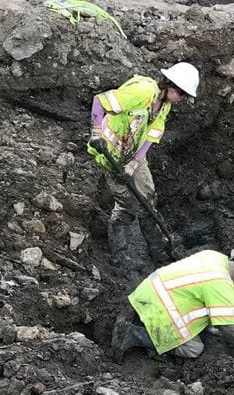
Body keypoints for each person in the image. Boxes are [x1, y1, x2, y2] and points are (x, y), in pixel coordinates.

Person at [87, 63, 200, 262]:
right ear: (171, 87)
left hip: (133, 154)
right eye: (182, 95)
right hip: (109, 153)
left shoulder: (164, 105)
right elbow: (99, 101)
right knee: (127, 203)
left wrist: (134, 163)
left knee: (148, 195)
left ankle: (157, 248)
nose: (182, 100)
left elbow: (150, 137)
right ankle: (119, 252)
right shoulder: (142, 92)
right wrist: (96, 133)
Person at [113, 249, 234, 361]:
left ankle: (137, 320)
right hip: (160, 309)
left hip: (147, 292)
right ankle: (134, 334)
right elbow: (229, 326)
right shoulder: (222, 284)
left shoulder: (214, 256)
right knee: (194, 349)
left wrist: (210, 327)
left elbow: (197, 291)